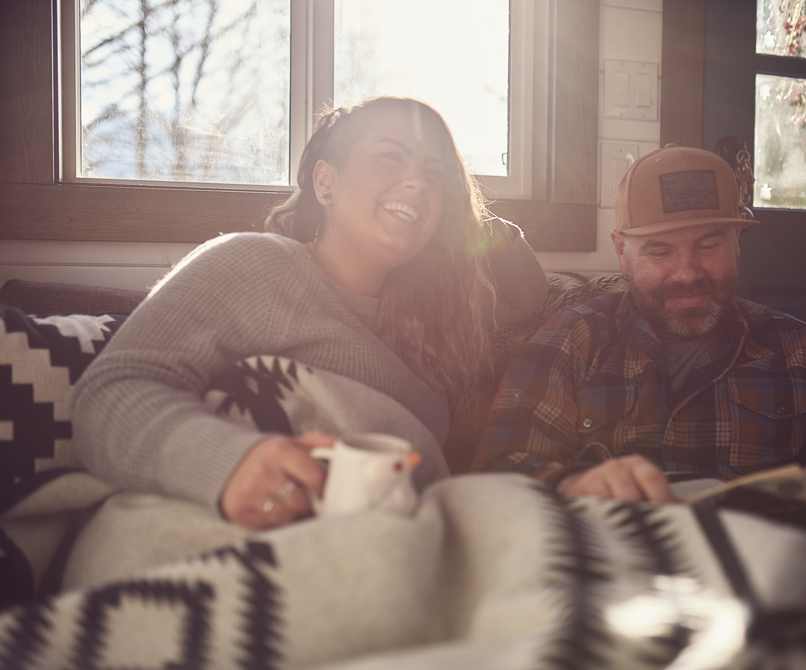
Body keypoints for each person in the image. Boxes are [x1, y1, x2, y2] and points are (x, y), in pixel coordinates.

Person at [71, 96, 548, 530]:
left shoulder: (439, 322)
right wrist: (227, 462)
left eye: (435, 174)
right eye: (390, 156)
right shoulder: (254, 263)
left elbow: (530, 295)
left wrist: (457, 209)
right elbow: (109, 392)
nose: (418, 180)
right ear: (326, 183)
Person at [472, 144, 806, 550]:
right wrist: (573, 489)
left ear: (737, 243)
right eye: (660, 251)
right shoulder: (572, 338)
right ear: (621, 250)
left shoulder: (795, 350)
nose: (687, 272)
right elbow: (498, 472)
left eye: (708, 245)